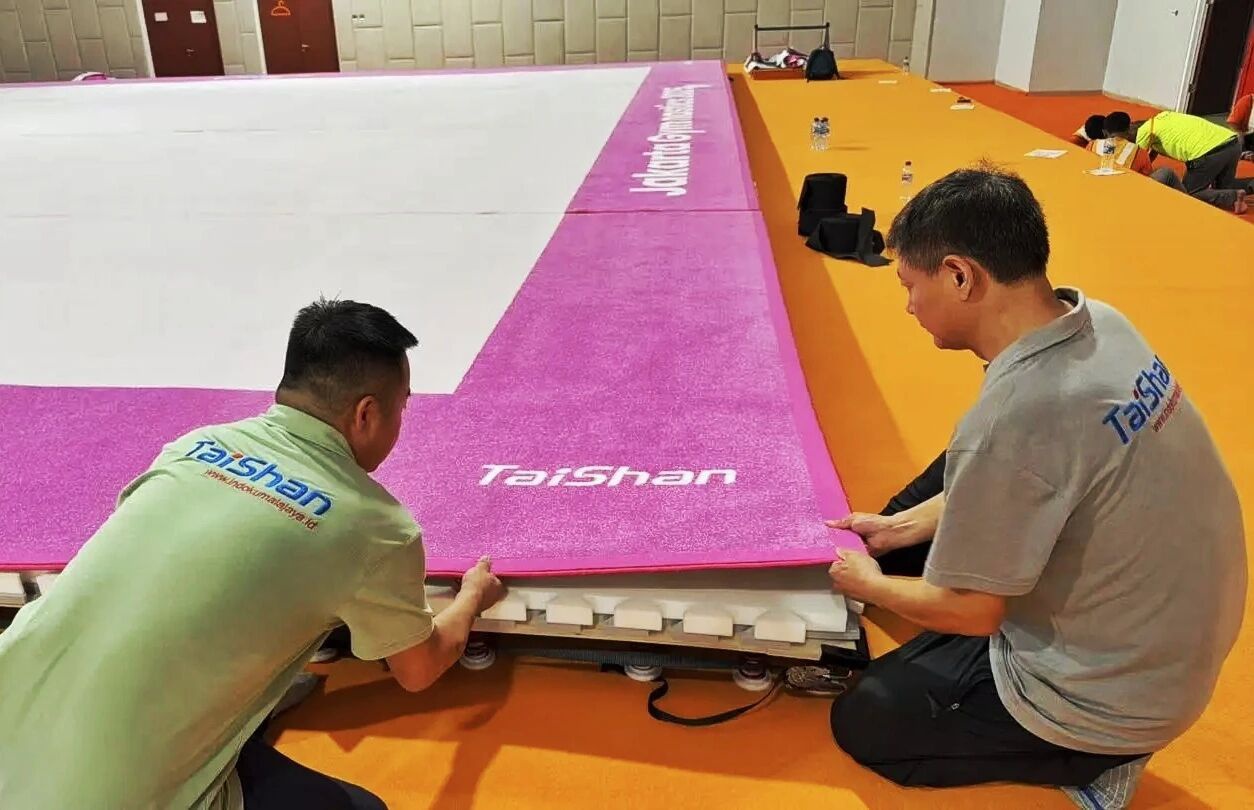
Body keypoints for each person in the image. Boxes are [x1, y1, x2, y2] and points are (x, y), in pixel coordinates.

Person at [824, 167, 1246, 810]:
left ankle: (1097, 764)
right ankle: (910, 560)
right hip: (1163, 639)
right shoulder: (1096, 320)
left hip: (1112, 701)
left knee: (867, 715)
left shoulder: (1017, 418)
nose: (908, 306)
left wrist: (869, 585)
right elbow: (1037, 472)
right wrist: (900, 530)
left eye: (910, 285)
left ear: (960, 276)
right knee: (934, 493)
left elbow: (973, 613)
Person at [0, 299, 506, 809]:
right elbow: (419, 669)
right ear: (366, 413)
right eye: (402, 406)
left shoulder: (192, 447)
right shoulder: (375, 526)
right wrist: (472, 597)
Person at [1106, 110, 1250, 212]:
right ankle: (1245, 189)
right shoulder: (1162, 117)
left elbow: (1138, 158)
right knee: (1224, 186)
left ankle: (1234, 197)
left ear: (1129, 133)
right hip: (1231, 142)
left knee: (1188, 194)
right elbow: (1151, 153)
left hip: (1208, 153)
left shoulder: (1142, 133)